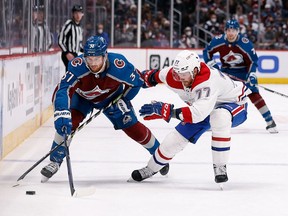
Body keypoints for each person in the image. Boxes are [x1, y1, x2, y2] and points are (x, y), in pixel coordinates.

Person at [40, 36, 168, 182]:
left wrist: (122, 98)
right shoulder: (77, 65)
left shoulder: (119, 65)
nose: (93, 63)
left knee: (131, 125)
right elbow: (63, 89)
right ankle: (54, 162)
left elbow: (137, 82)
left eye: (96, 59)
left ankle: (158, 154)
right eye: (89, 59)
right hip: (82, 98)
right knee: (68, 123)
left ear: (105, 56)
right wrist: (61, 112)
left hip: (112, 97)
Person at [130, 50, 249, 185]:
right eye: (177, 73)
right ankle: (151, 168)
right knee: (173, 140)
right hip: (202, 108)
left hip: (234, 105)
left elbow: (197, 115)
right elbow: (152, 77)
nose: (180, 78)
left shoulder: (207, 81)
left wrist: (168, 112)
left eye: (184, 74)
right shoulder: (172, 75)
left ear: (195, 70)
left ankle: (220, 166)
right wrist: (133, 81)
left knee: (219, 117)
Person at [203, 19, 278, 133]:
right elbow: (207, 51)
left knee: (254, 94)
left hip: (244, 72)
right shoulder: (218, 41)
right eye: (228, 30)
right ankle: (211, 121)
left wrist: (252, 74)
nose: (231, 33)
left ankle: (270, 122)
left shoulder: (245, 43)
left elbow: (253, 61)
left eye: (233, 30)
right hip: (226, 73)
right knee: (218, 94)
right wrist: (211, 63)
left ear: (238, 31)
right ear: (225, 31)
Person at [58, 4, 84, 71]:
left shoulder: (79, 27)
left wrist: (87, 51)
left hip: (75, 54)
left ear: (82, 14)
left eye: (79, 13)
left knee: (75, 75)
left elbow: (79, 44)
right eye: (76, 13)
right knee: (71, 74)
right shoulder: (69, 24)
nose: (78, 15)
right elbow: (60, 40)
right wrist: (67, 53)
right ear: (73, 14)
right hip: (68, 53)